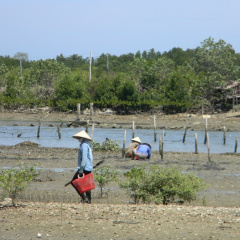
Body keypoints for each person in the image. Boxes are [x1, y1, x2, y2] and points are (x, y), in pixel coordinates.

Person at [72, 130, 93, 204]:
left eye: (78, 137)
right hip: (88, 167)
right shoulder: (87, 144)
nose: (78, 139)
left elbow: (84, 158)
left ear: (82, 138)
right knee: (87, 184)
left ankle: (84, 198)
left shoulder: (84, 145)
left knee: (73, 182)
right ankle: (89, 200)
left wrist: (81, 168)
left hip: (84, 167)